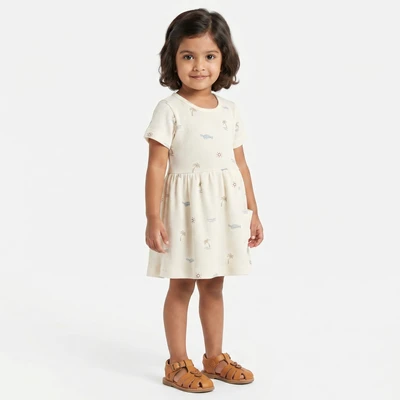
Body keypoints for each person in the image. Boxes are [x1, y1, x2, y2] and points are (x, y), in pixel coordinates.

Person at [143, 8, 264, 393]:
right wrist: (152, 217)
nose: (199, 66)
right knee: (181, 286)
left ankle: (214, 357)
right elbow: (156, 166)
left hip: (223, 212)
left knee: (214, 286)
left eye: (209, 56)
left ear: (224, 59)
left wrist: (253, 212)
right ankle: (177, 363)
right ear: (173, 59)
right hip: (184, 214)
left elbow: (240, 165)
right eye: (188, 56)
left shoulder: (230, 111)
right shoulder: (170, 109)